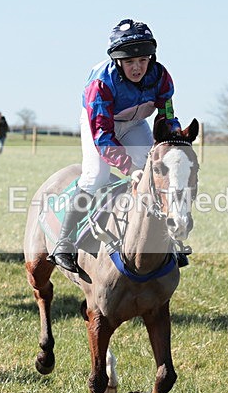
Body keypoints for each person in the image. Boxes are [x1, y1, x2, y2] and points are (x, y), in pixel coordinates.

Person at [49, 18, 182, 273]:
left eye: (143, 60)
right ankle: (64, 243)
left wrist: (171, 140)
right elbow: (103, 136)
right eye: (130, 62)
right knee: (96, 176)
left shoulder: (161, 76)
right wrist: (129, 168)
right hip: (100, 125)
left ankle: (167, 241)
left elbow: (166, 116)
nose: (137, 67)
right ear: (118, 61)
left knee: (155, 172)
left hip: (134, 124)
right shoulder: (101, 83)